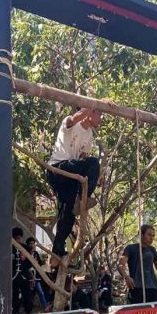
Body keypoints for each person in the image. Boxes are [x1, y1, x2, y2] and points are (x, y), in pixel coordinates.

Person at [47, 107, 102, 262]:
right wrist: (94, 103)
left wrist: (93, 177)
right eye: (99, 113)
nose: (102, 118)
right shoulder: (70, 123)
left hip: (71, 177)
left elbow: (83, 158)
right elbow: (76, 117)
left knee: (67, 214)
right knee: (93, 162)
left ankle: (57, 252)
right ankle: (83, 199)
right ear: (90, 113)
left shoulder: (89, 134)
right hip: (58, 169)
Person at [118, 224, 157, 304]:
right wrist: (126, 277)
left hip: (151, 287)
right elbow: (121, 265)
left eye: (153, 236)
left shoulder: (152, 249)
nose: (151, 238)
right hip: (136, 287)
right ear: (141, 234)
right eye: (149, 235)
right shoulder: (130, 248)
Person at [24, 237, 51, 312]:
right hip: (29, 276)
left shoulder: (36, 253)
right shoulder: (26, 253)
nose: (32, 245)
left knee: (40, 291)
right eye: (30, 244)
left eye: (33, 243)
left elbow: (40, 263)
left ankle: (46, 305)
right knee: (29, 294)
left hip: (36, 276)